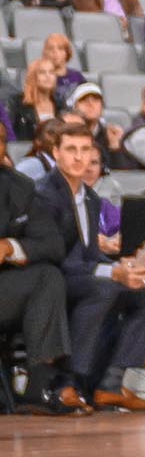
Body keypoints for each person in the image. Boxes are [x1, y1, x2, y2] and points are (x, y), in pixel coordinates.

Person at [35, 125, 145, 410]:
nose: (79, 158)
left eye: (86, 151)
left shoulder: (92, 199)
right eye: (71, 150)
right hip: (52, 280)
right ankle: (68, 381)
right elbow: (60, 259)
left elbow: (90, 256)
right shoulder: (45, 195)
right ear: (55, 152)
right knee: (104, 288)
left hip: (82, 275)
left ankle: (111, 382)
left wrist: (123, 266)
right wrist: (111, 273)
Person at [0, 146, 79, 413]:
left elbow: (53, 245)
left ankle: (39, 385)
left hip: (4, 289)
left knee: (48, 277)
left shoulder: (19, 187)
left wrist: (10, 247)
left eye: (0, 139)